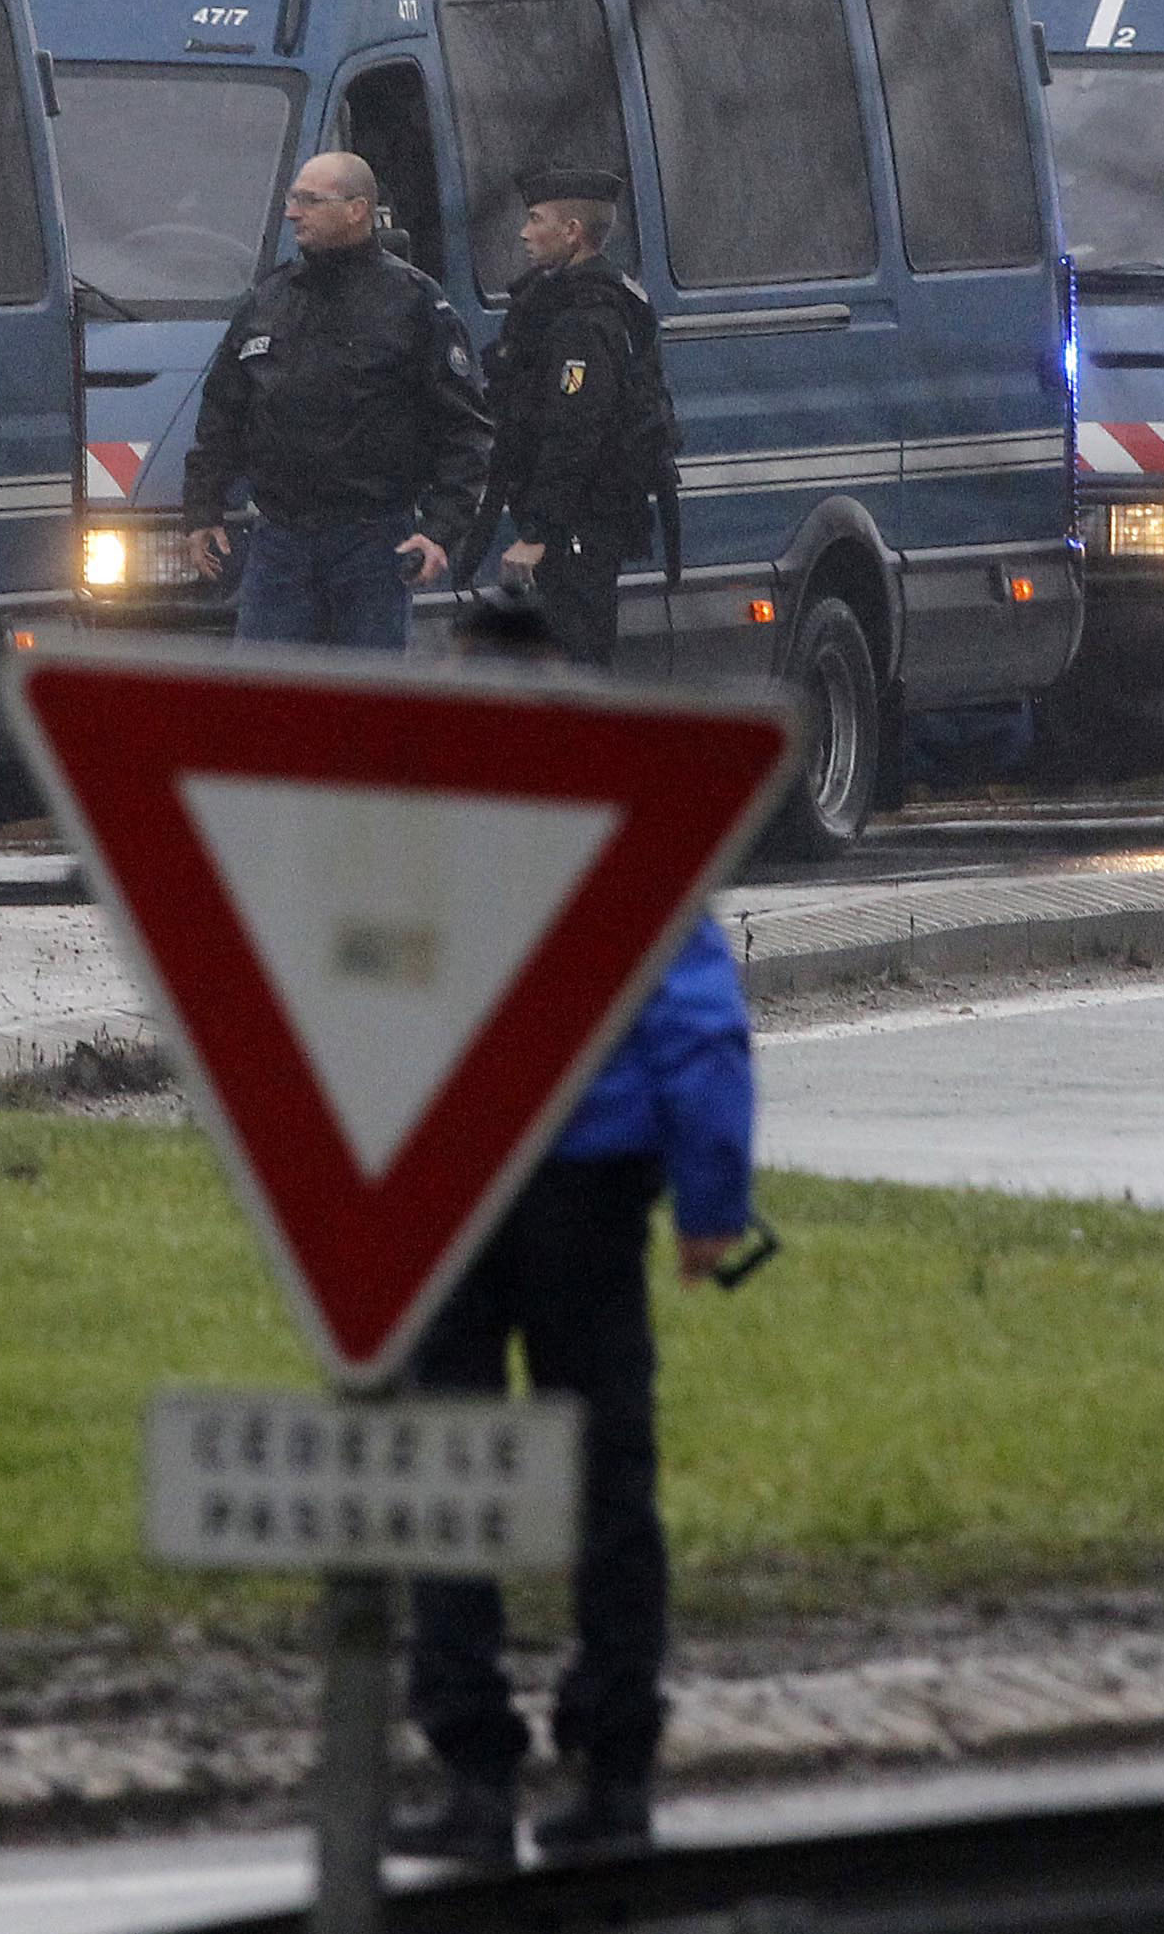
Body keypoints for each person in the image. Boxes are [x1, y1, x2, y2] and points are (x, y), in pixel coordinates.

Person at [390, 601, 760, 1874]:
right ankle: (613, 1778)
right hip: (590, 1200)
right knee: (608, 1489)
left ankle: (473, 1775)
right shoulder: (626, 818)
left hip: (440, 1189)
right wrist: (712, 1211)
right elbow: (700, 1032)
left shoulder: (414, 829)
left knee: (444, 1480)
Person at [181, 151, 491, 650]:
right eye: (292, 198)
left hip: (370, 543)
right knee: (263, 706)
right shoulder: (270, 298)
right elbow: (222, 412)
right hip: (280, 543)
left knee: (362, 708)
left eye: (309, 200)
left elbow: (465, 428)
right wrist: (202, 508)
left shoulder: (413, 303)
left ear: (357, 210)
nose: (292, 212)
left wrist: (440, 530)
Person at [478, 166, 679, 670]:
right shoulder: (567, 299)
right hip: (579, 525)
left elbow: (574, 432)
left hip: (582, 527)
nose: (524, 233)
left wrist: (539, 534)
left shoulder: (586, 319)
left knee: (576, 668)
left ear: (572, 231)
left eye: (535, 219)